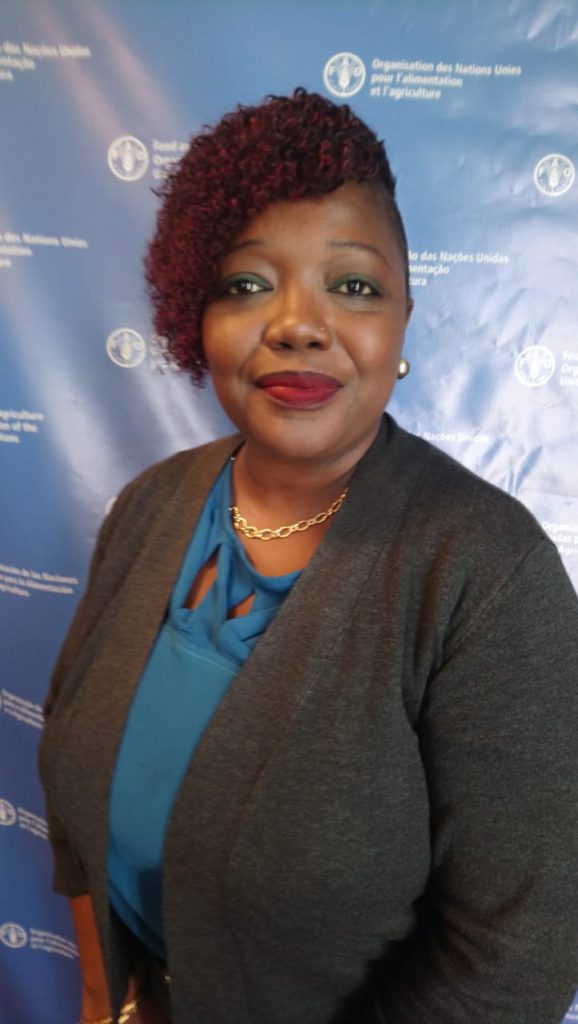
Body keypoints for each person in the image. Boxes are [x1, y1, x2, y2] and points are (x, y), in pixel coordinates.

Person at [39, 88, 578, 1024]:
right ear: (195, 314)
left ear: (402, 320)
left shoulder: (486, 574)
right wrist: (103, 996)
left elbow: (516, 962)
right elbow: (78, 814)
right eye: (248, 284)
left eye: (354, 285)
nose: (297, 323)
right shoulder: (149, 507)